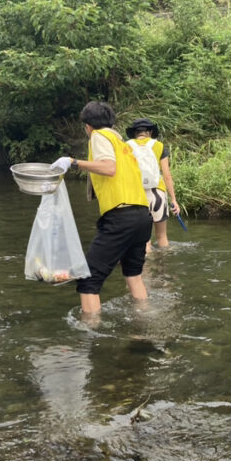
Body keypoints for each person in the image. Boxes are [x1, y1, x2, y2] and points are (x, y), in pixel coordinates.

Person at [50, 101, 152, 315]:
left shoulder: (98, 136)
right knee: (133, 274)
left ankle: (91, 336)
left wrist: (73, 162)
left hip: (121, 216)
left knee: (88, 279)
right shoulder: (123, 144)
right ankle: (144, 322)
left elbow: (109, 167)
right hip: (143, 216)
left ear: (87, 126)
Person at [125, 118, 181, 249]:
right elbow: (167, 175)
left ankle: (146, 268)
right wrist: (174, 200)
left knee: (144, 241)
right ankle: (163, 267)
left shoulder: (126, 146)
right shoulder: (159, 146)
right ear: (150, 132)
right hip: (157, 194)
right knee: (162, 237)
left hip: (136, 196)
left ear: (134, 133)